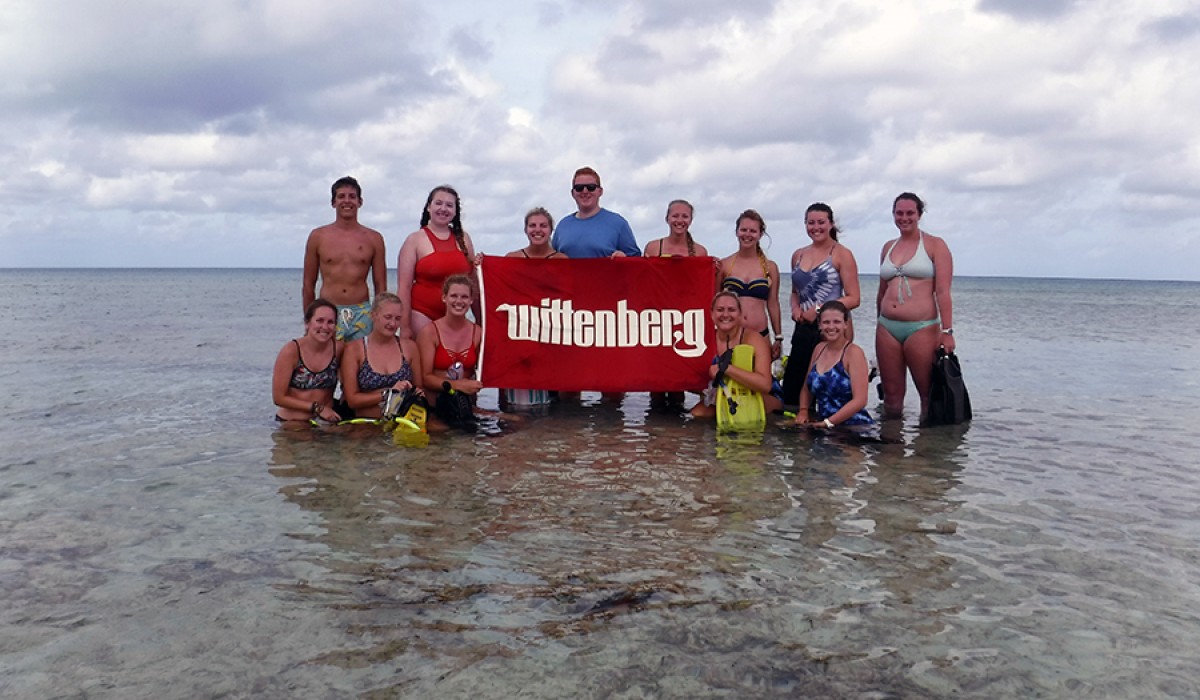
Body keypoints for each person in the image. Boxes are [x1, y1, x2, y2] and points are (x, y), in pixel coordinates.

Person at [875, 192, 955, 419]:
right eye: (899, 213)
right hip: (887, 327)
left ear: (919, 214)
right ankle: (891, 449)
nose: (904, 217)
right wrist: (878, 324)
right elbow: (882, 291)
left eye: (910, 213)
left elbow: (943, 292)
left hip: (921, 327)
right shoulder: (888, 247)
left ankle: (927, 449)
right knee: (891, 396)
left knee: (927, 394)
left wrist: (947, 331)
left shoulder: (935, 245)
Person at [780, 202, 861, 408]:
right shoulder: (798, 255)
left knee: (829, 390)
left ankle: (832, 434)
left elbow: (853, 298)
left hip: (833, 329)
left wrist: (818, 310)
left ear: (831, 224)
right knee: (794, 388)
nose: (816, 227)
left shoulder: (842, 254)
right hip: (803, 328)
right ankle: (796, 436)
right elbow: (795, 293)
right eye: (811, 223)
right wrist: (796, 309)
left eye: (821, 222)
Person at [302, 176, 388, 342]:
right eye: (341, 196)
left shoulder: (374, 238)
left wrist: (380, 318)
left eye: (352, 196)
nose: (347, 201)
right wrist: (309, 319)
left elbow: (381, 286)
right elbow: (308, 283)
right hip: (328, 311)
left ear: (360, 202)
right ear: (333, 202)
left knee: (361, 364)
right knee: (327, 363)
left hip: (362, 312)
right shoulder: (318, 236)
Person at [396, 185, 477, 340]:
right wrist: (404, 327)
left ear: (455, 212)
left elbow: (473, 283)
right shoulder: (414, 240)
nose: (443, 209)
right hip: (422, 314)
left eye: (449, 205)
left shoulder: (464, 239)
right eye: (438, 203)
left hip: (456, 315)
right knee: (425, 362)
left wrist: (480, 319)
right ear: (428, 207)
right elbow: (404, 288)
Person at [690, 291, 782, 418]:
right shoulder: (704, 340)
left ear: (740, 315)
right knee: (696, 414)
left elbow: (765, 385)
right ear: (711, 314)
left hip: (759, 395)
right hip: (723, 394)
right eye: (720, 310)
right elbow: (691, 379)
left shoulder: (754, 339)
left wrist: (726, 369)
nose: (725, 314)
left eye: (731, 310)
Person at [339, 293, 423, 421]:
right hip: (366, 424)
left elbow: (418, 389)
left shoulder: (409, 348)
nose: (393, 323)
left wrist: (417, 394)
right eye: (388, 317)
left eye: (397, 318)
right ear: (373, 315)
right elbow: (352, 400)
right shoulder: (355, 349)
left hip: (401, 423)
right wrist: (388, 394)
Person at [417, 274, 484, 428]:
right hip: (435, 407)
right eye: (453, 296)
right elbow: (424, 378)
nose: (459, 301)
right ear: (444, 298)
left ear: (471, 301)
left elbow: (486, 371)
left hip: (464, 407)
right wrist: (457, 385)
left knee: (512, 422)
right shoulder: (429, 332)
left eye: (464, 297)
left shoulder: (478, 333)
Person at [795, 301, 875, 430]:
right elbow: (806, 387)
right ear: (819, 325)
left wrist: (828, 423)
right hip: (823, 424)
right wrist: (803, 410)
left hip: (854, 426)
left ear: (846, 324)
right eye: (826, 322)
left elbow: (860, 400)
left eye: (836, 322)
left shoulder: (853, 353)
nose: (831, 327)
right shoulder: (819, 349)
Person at [718, 210, 782, 358]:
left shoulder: (769, 267)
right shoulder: (724, 265)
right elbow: (714, 302)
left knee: (761, 379)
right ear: (736, 232)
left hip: (761, 334)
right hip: (730, 334)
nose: (747, 234)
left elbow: (773, 304)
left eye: (753, 231)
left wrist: (778, 337)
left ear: (760, 234)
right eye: (744, 230)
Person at [272, 298, 345, 424]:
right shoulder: (291, 351)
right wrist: (317, 408)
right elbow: (278, 398)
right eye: (319, 321)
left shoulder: (338, 349)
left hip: (325, 422)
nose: (325, 327)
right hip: (292, 422)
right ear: (307, 323)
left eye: (330, 322)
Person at [551, 167, 640, 258]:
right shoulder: (562, 226)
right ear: (573, 193)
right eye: (579, 188)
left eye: (591, 187)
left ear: (600, 191)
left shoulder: (618, 223)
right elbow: (549, 260)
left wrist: (623, 257)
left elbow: (637, 262)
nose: (585, 191)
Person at [643, 200, 709, 257]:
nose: (679, 220)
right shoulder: (653, 248)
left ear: (691, 220)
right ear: (667, 219)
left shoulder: (700, 252)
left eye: (685, 216)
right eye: (675, 216)